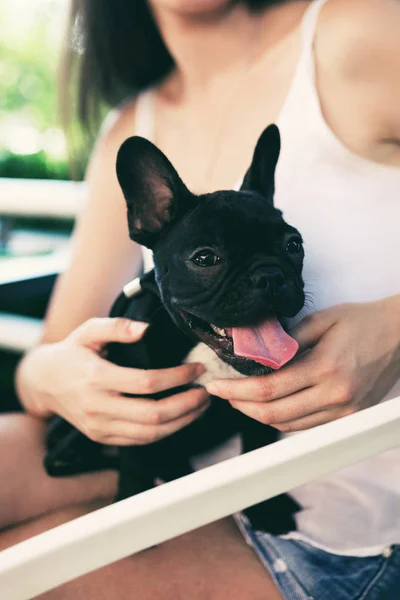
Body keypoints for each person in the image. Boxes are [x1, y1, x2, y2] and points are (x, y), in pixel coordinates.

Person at [1, 0, 400, 597]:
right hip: (173, 460)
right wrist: (58, 378)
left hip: (341, 528)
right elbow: (47, 360)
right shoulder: (134, 120)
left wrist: (395, 329)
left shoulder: (363, 29)